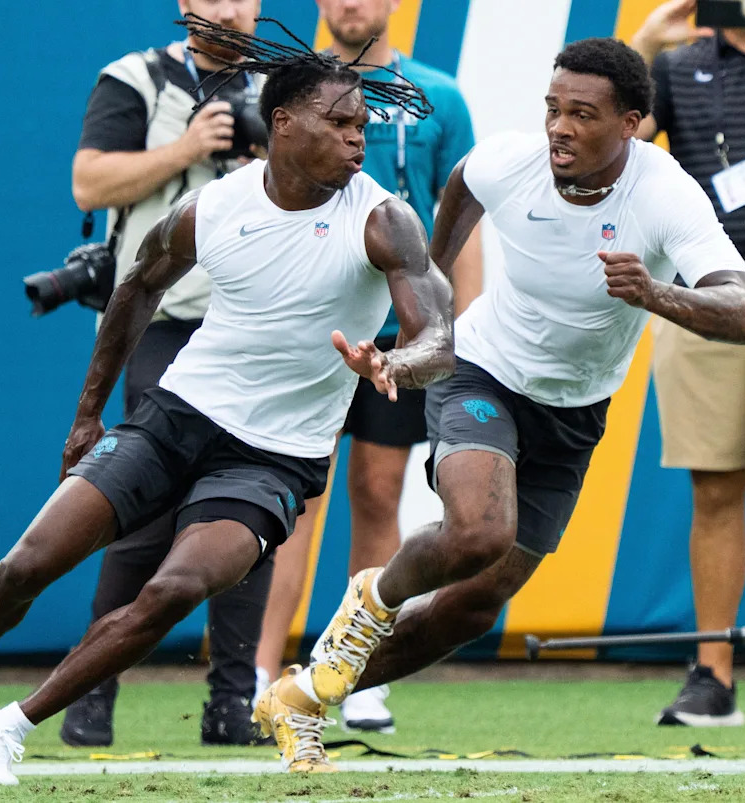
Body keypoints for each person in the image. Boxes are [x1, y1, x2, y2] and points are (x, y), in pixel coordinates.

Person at [0, 15, 454, 785]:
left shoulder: (382, 218)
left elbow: (440, 335)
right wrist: (88, 413)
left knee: (175, 588)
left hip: (275, 457)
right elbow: (136, 288)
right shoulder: (217, 208)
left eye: (362, 124)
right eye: (339, 123)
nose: (356, 139)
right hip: (175, 416)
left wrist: (399, 359)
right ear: (285, 122)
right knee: (29, 562)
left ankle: (9, 723)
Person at [252, 36, 745, 773]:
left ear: (632, 123)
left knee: (472, 606)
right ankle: (372, 598)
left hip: (576, 412)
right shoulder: (509, 161)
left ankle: (307, 692)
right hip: (482, 372)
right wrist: (430, 316)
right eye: (552, 108)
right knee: (480, 531)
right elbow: (459, 188)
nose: (559, 127)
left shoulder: (664, 191)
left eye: (582, 114)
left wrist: (655, 293)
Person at [252, 0, 481, 734]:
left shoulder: (439, 97)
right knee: (293, 503)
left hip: (397, 335)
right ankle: (256, 673)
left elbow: (463, 218)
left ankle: (354, 671)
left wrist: (458, 328)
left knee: (379, 492)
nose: (350, 4)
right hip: (308, 331)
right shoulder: (290, 93)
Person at [60, 0, 275, 749]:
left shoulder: (288, 79)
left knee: (251, 511)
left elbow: (339, 176)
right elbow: (89, 182)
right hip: (164, 320)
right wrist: (186, 148)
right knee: (143, 510)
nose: (226, 8)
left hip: (260, 323)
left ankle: (232, 702)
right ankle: (91, 691)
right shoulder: (137, 78)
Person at [630, 0, 745, 727]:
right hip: (708, 300)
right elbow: (606, 145)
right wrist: (638, 51)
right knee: (714, 488)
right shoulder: (676, 63)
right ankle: (712, 674)